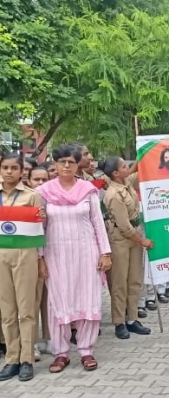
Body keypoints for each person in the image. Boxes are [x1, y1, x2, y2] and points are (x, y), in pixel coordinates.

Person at [37, 144, 112, 373]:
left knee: (87, 298)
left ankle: (86, 350)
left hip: (86, 251)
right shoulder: (43, 192)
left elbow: (98, 223)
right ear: (55, 164)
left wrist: (105, 253)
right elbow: (39, 227)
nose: (66, 166)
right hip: (55, 253)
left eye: (70, 161)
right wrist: (40, 258)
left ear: (77, 163)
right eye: (62, 162)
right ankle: (60, 353)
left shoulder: (87, 190)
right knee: (58, 301)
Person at [0, 153, 42, 382]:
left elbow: (40, 229)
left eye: (13, 168)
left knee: (26, 310)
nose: (9, 172)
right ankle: (11, 359)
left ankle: (27, 359)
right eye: (5, 167)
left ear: (21, 171)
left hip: (26, 254)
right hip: (1, 255)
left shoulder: (32, 196)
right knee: (7, 311)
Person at [101, 157, 153, 339]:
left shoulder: (126, 183)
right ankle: (119, 322)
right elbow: (123, 226)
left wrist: (143, 152)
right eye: (124, 166)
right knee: (119, 283)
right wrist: (142, 241)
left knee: (134, 279)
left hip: (134, 236)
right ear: (115, 173)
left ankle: (132, 318)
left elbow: (138, 172)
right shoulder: (113, 194)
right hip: (120, 239)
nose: (127, 168)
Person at [27, 166, 51, 361]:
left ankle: (50, 339)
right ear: (28, 181)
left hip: (51, 255)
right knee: (32, 302)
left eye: (44, 180)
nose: (41, 184)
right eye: (37, 180)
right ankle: (31, 343)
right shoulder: (23, 200)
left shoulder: (54, 199)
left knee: (49, 301)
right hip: (31, 257)